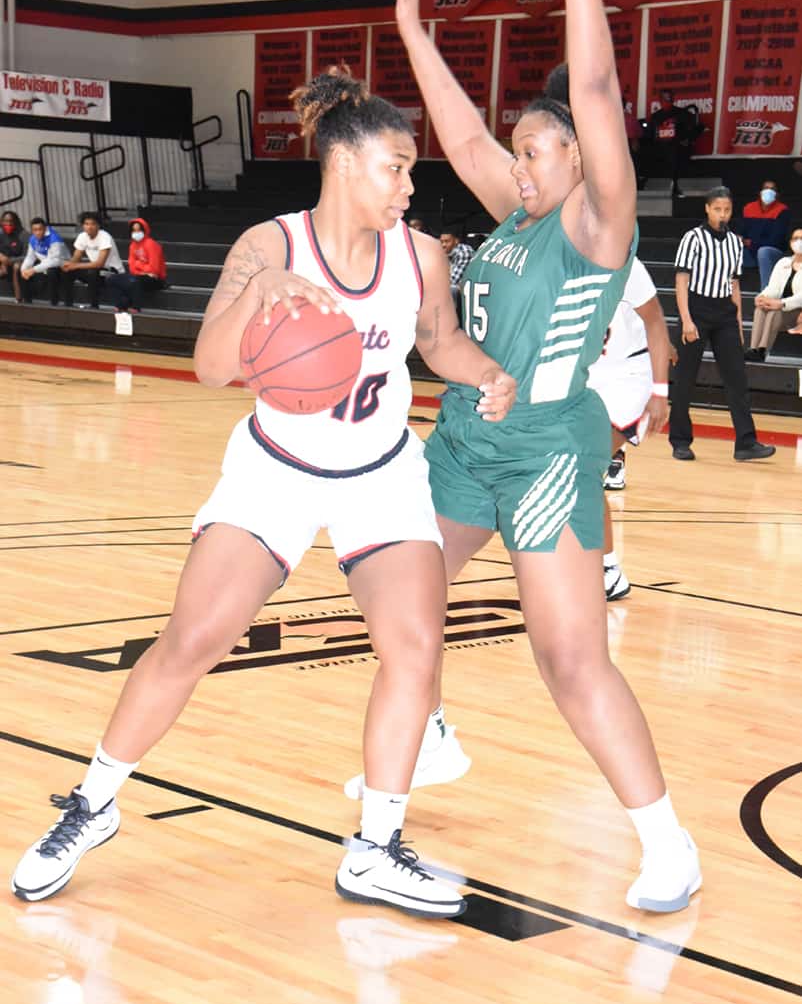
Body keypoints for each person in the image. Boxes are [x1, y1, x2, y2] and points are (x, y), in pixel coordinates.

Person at [12, 67, 517, 920]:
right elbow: (211, 369)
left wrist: (487, 374)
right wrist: (260, 294)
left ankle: (376, 849)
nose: (408, 184)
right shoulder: (269, 246)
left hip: (382, 469)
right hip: (275, 467)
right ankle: (94, 804)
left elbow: (440, 343)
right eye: (395, 166)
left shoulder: (421, 254)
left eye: (410, 170)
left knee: (415, 649)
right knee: (192, 639)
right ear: (345, 164)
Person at [372, 0, 701, 914]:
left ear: (579, 158)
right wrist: (417, 31)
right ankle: (423, 735)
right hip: (463, 435)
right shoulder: (514, 214)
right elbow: (460, 132)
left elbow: (595, 87)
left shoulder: (599, 229)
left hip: (548, 448)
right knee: (389, 587)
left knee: (568, 660)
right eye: (516, 151)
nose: (515, 162)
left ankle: (664, 843)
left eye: (536, 148)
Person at [670, 186, 775, 462]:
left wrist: (738, 323)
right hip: (697, 307)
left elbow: (735, 284)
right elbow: (681, 280)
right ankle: (680, 440)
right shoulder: (692, 238)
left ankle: (746, 443)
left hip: (725, 313)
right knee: (685, 378)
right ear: (707, 209)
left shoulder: (734, 242)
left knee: (737, 378)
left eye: (727, 209)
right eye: (717, 209)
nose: (722, 214)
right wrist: (686, 320)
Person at [587, 258, 672, 600]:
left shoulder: (625, 263)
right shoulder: (561, 257)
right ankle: (586, 561)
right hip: (588, 377)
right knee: (568, 471)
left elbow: (655, 322)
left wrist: (660, 392)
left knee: (583, 469)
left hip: (628, 378)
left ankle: (609, 569)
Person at [745, 227, 802, 361]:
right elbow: (773, 288)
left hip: (797, 312)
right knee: (761, 308)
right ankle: (753, 349)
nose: (798, 242)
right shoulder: (783, 263)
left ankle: (763, 350)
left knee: (774, 311)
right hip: (781, 309)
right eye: (795, 238)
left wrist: (781, 303)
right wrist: (762, 297)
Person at [61, 213, 124, 308]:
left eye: (93, 224)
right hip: (96, 271)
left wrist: (76, 265)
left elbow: (99, 264)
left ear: (98, 225)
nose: (89, 227)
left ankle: (94, 306)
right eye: (86, 224)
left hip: (112, 272)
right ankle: (68, 304)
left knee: (93, 272)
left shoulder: (105, 237)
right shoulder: (82, 237)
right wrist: (68, 265)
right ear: (83, 226)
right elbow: (76, 258)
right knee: (67, 270)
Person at [105, 218, 167, 313]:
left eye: (139, 230)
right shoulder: (132, 246)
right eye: (134, 230)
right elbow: (132, 267)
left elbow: (154, 269)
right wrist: (142, 268)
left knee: (135, 281)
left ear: (145, 230)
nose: (136, 233)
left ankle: (136, 307)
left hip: (156, 279)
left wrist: (138, 265)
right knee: (112, 279)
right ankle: (122, 303)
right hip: (140, 276)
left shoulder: (151, 244)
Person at [739, 180, 792, 289]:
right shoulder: (749, 208)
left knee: (763, 251)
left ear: (777, 194)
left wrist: (751, 242)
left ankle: (766, 295)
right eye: (766, 188)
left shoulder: (782, 210)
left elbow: (775, 241)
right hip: (750, 253)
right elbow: (741, 232)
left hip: (772, 253)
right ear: (760, 192)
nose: (768, 191)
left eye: (772, 189)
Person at [644, 90, 696, 195]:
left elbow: (691, 129)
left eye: (669, 98)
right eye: (664, 98)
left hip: (676, 148)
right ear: (660, 100)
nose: (667, 101)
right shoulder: (655, 117)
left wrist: (686, 139)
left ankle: (676, 187)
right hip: (660, 148)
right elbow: (650, 134)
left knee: (675, 155)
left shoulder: (682, 114)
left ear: (673, 99)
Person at [18, 217, 69, 305]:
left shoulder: (54, 238)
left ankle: (54, 303)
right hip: (44, 265)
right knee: (23, 270)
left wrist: (33, 270)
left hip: (62, 266)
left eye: (40, 229)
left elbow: (54, 261)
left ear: (45, 229)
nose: (38, 232)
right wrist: (24, 270)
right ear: (32, 230)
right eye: (35, 230)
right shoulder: (32, 239)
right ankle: (27, 302)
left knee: (51, 271)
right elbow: (30, 257)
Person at [0, 210, 29, 302]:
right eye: (5, 221)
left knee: (16, 267)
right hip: (3, 260)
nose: (8, 224)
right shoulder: (0, 233)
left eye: (10, 221)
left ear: (16, 222)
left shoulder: (23, 235)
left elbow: (27, 256)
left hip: (18, 261)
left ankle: (19, 298)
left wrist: (10, 261)